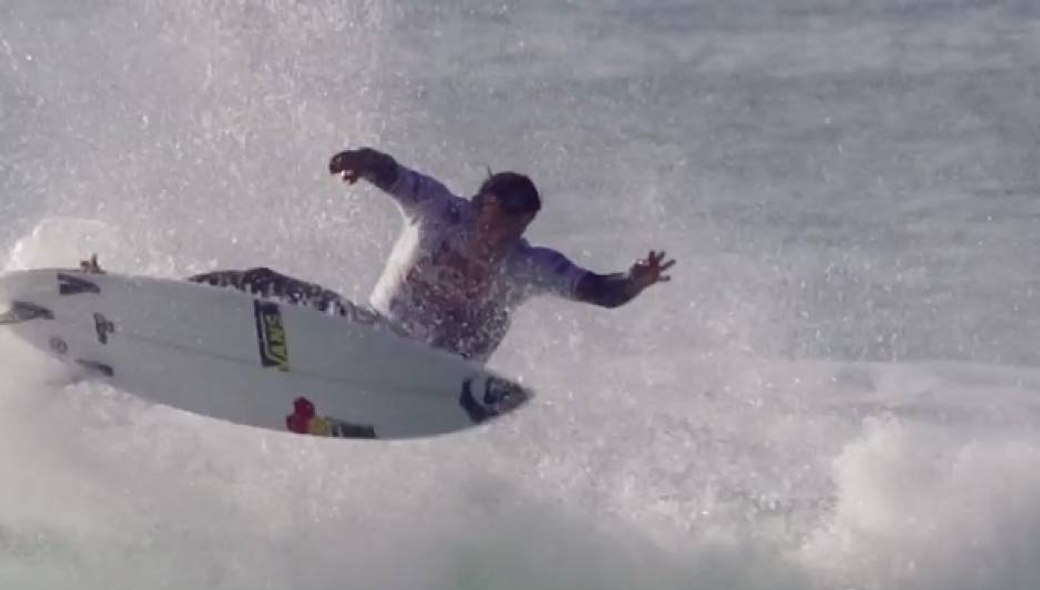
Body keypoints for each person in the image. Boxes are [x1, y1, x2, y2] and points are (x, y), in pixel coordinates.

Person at [83, 147, 675, 362]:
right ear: (480, 207)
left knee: (454, 343)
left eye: (516, 228)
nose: (501, 238)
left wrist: (636, 281)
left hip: (443, 372)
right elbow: (394, 173)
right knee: (260, 280)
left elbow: (599, 290)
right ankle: (129, 296)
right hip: (369, 336)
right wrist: (362, 163)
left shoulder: (530, 265)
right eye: (496, 222)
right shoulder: (440, 211)